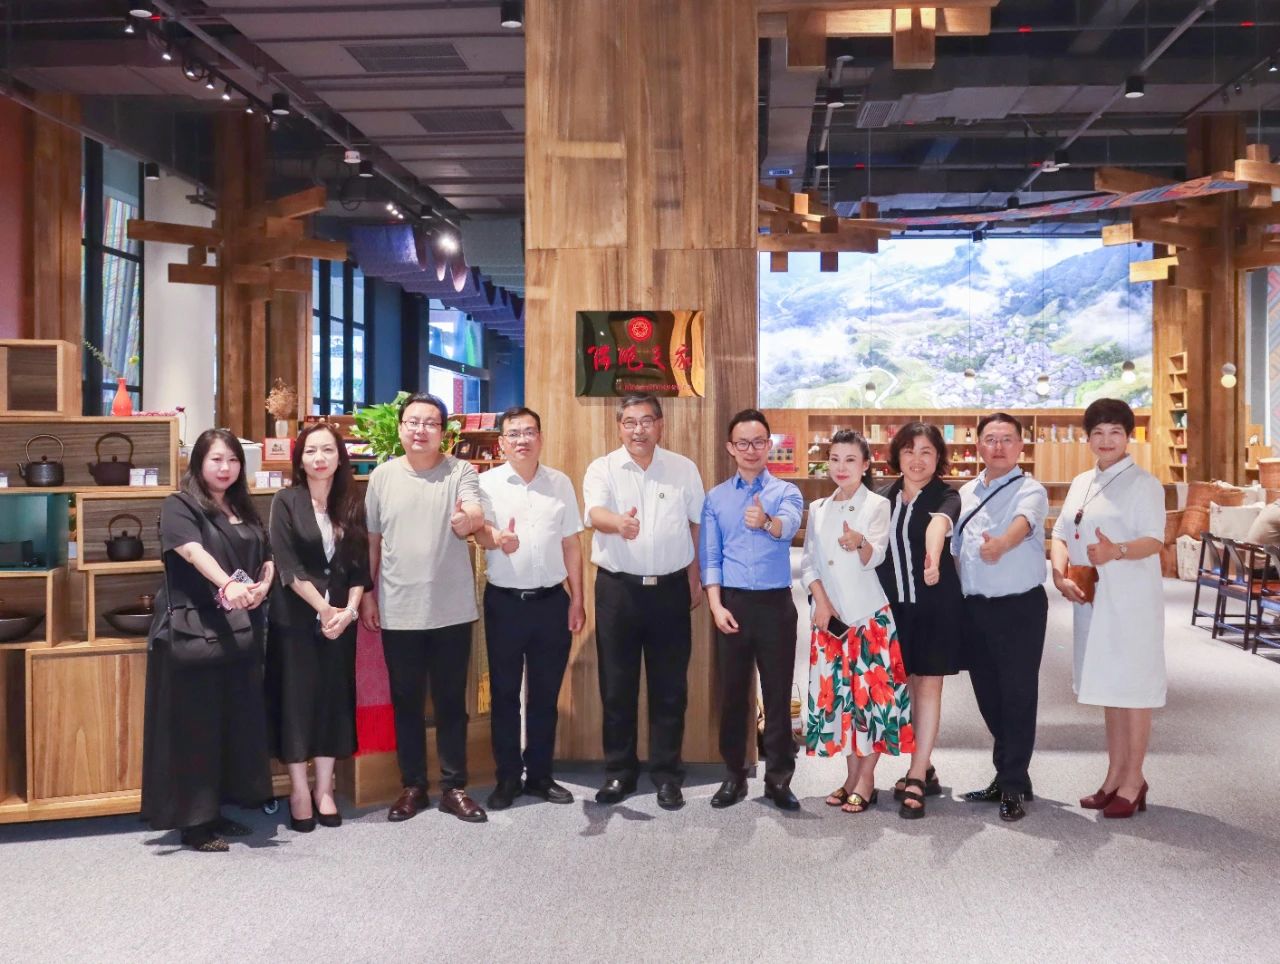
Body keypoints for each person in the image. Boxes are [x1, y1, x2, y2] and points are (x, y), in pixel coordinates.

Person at [141, 428, 274, 852]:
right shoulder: (179, 505)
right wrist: (228, 585)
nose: (225, 468)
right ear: (198, 462)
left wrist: (263, 583)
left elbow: (267, 554)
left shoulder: (243, 506)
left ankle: (216, 810)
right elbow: (192, 551)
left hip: (239, 630)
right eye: (216, 459)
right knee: (194, 727)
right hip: (194, 630)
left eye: (233, 460)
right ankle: (194, 822)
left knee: (230, 723)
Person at [360, 392, 488, 824]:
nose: (420, 430)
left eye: (430, 423)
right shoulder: (382, 476)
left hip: (451, 610)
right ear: (400, 429)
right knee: (407, 703)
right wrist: (368, 594)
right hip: (399, 609)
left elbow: (474, 509)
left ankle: (454, 787)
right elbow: (373, 541)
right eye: (413, 422)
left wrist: (468, 519)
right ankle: (412, 785)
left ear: (443, 432)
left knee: (451, 702)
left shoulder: (461, 471)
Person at [582, 393, 704, 810]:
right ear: (620, 427)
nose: (639, 430)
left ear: (660, 425)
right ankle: (619, 772)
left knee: (670, 688)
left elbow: (697, 525)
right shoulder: (603, 468)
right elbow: (594, 513)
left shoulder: (683, 469)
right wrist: (618, 523)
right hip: (618, 590)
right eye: (630, 422)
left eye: (647, 421)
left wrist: (695, 578)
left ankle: (667, 774)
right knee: (617, 687)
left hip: (670, 591)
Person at [1050, 398, 1165, 818]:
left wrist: (1116, 550)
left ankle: (1134, 779)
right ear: (1087, 438)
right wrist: (1059, 574)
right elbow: (1061, 532)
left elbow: (1154, 540)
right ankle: (1114, 776)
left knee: (1133, 689)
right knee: (1108, 688)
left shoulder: (1144, 484)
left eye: (1115, 431)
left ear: (1129, 436)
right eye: (1097, 432)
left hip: (1131, 600)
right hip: (1092, 600)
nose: (1106, 440)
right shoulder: (1083, 481)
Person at [474, 406, 585, 810]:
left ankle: (540, 775)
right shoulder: (485, 484)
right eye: (514, 433)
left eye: (529, 432)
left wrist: (578, 599)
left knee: (544, 695)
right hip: (505, 604)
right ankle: (507, 777)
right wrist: (495, 538)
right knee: (504, 694)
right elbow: (478, 534)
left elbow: (571, 543)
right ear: (502, 442)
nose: (522, 440)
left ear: (541, 437)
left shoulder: (560, 483)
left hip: (552, 603)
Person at [266, 422, 371, 833]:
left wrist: (350, 611)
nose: (320, 458)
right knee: (295, 702)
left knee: (333, 700)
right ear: (300, 459)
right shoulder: (285, 501)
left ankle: (325, 788)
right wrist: (325, 609)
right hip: (296, 619)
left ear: (340, 458)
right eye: (311, 451)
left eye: (328, 450)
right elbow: (287, 565)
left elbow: (360, 567)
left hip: (341, 621)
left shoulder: (352, 502)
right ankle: (298, 790)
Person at [803, 429, 914, 814]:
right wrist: (820, 601)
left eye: (850, 459)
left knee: (873, 704)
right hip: (830, 622)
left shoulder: (877, 505)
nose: (841, 467)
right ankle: (851, 777)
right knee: (844, 704)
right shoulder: (818, 508)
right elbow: (809, 563)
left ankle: (866, 779)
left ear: (865, 464)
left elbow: (877, 555)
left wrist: (860, 542)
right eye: (834, 459)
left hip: (869, 620)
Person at [701, 409, 804, 811]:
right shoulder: (716, 498)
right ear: (731, 448)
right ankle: (734, 774)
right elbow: (710, 557)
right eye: (742, 443)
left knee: (777, 695)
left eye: (759, 442)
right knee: (732, 694)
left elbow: (789, 526)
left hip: (776, 605)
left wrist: (766, 521)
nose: (751, 449)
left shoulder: (786, 491)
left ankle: (779, 779)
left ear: (768, 445)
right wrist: (715, 606)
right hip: (732, 604)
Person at [952, 412, 1049, 822]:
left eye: (1007, 439)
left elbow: (1023, 525)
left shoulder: (1032, 489)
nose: (998, 446)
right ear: (978, 445)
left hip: (1019, 607)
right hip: (974, 608)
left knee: (1018, 695)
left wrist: (1003, 544)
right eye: (990, 439)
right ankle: (1009, 774)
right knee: (989, 696)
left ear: (1020, 446)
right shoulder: (965, 492)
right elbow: (955, 548)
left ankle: (1012, 785)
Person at [876, 422, 963, 819]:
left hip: (934, 605)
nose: (917, 459)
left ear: (938, 457)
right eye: (909, 450)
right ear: (897, 455)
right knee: (906, 686)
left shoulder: (946, 496)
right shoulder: (881, 498)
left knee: (928, 685)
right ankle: (925, 765)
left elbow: (938, 525)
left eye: (926, 451)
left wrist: (932, 558)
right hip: (892, 609)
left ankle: (915, 774)